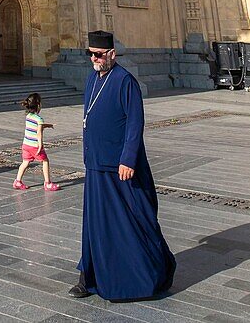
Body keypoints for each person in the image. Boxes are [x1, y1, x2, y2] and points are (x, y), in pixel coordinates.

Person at [69, 30, 176, 301]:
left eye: (99, 55)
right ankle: (89, 276)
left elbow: (134, 122)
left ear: (112, 54)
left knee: (132, 220)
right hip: (96, 163)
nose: (94, 59)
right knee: (94, 224)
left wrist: (128, 158)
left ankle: (143, 274)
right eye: (90, 54)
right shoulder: (92, 78)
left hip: (119, 166)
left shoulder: (125, 81)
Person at [13, 92, 60, 192]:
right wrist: (40, 145)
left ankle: (17, 181)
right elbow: (39, 133)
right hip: (34, 145)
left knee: (25, 162)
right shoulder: (39, 119)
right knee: (45, 161)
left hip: (26, 144)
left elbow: (35, 126)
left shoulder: (28, 116)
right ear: (39, 105)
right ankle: (47, 183)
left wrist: (47, 125)